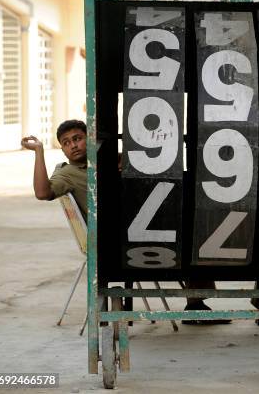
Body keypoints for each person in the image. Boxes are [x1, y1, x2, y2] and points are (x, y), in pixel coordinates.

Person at [22, 119, 230, 325]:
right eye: (66, 143)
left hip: (137, 224)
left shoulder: (109, 160)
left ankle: (197, 302)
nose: (73, 145)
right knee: (190, 235)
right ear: (63, 150)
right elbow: (42, 192)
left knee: (192, 226)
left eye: (78, 139)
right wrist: (39, 152)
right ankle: (196, 304)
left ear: (90, 139)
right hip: (116, 240)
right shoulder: (67, 173)